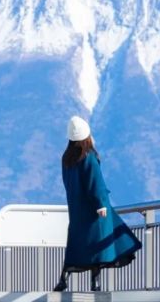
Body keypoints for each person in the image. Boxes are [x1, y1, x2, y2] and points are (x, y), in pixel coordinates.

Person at [55, 116, 142, 292]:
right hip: (94, 209)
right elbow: (97, 183)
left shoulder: (67, 159)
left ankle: (63, 279)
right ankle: (95, 283)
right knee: (100, 245)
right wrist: (101, 203)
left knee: (77, 245)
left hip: (77, 209)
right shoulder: (88, 157)